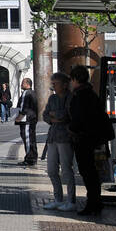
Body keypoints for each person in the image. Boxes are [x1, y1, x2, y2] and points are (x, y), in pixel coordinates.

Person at [67, 65, 106, 216]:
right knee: (91, 172)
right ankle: (95, 201)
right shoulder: (90, 93)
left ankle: (93, 203)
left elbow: (79, 118)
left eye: (71, 79)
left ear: (75, 79)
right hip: (92, 137)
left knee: (88, 171)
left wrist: (71, 129)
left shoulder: (81, 95)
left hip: (84, 138)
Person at [40, 72, 75, 211]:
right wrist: (55, 116)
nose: (53, 86)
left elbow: (67, 116)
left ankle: (71, 200)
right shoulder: (52, 98)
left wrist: (55, 115)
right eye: (52, 83)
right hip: (53, 137)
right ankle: (58, 199)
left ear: (65, 84)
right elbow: (45, 115)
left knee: (66, 169)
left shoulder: (70, 97)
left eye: (56, 83)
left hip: (65, 137)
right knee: (51, 170)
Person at [13, 78, 38, 164]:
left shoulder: (26, 93)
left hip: (26, 120)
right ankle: (33, 157)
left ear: (27, 84)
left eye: (22, 83)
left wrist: (18, 118)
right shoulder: (33, 93)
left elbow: (24, 108)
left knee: (27, 139)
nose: (21, 84)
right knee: (32, 139)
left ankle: (29, 159)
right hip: (32, 119)